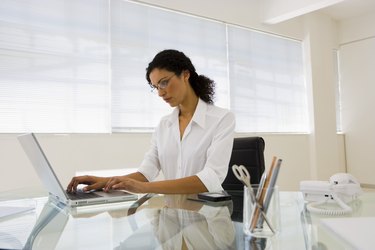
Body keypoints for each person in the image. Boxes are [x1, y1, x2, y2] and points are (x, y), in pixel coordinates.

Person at [67, 49, 235, 194]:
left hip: (207, 219)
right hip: (173, 217)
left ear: (185, 74)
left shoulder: (222, 119)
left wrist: (144, 188)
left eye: (164, 83)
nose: (160, 93)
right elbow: (146, 173)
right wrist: (102, 181)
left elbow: (211, 178)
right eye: (156, 87)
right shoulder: (164, 125)